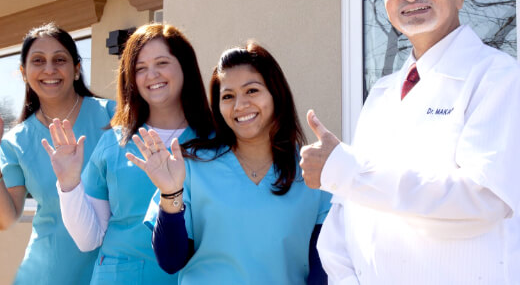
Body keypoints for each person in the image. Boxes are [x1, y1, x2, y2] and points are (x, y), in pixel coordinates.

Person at [299, 0, 520, 285]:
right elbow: (347, 212)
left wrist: (346, 169)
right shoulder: (383, 92)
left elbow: (484, 200)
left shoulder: (498, 78)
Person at [129, 42, 331, 284]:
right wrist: (171, 194)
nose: (240, 105)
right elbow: (171, 261)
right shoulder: (192, 167)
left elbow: (323, 270)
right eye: (228, 96)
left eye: (252, 91)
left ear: (276, 94)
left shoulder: (313, 172)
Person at [43, 23, 214, 284]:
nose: (152, 75)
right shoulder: (113, 142)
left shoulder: (216, 143)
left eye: (162, 63)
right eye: (140, 68)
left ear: (185, 67)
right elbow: (89, 240)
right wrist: (69, 184)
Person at [0, 23, 115, 285]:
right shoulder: (14, 142)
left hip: (112, 269)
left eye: (59, 59)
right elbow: (7, 218)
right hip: (47, 274)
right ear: (23, 72)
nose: (49, 69)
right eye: (38, 61)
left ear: (76, 69)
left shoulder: (112, 117)